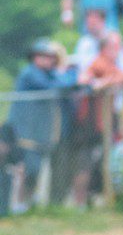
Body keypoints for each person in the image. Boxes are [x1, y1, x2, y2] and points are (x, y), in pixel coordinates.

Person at [72, 32, 123, 206]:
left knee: (103, 161)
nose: (119, 51)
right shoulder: (99, 64)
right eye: (116, 47)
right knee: (85, 164)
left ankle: (98, 198)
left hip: (104, 122)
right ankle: (80, 203)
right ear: (105, 48)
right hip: (90, 123)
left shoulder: (111, 65)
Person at [10, 40, 78, 210]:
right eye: (45, 57)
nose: (49, 60)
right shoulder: (31, 73)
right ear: (35, 57)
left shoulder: (48, 72)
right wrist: (72, 74)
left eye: (51, 57)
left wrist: (68, 74)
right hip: (26, 130)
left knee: (35, 168)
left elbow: (63, 82)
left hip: (38, 130)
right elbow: (57, 86)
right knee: (28, 168)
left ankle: (29, 203)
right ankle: (20, 204)